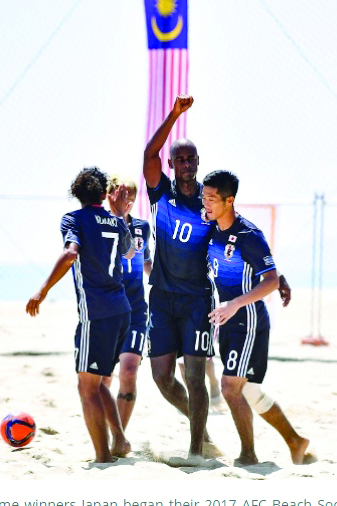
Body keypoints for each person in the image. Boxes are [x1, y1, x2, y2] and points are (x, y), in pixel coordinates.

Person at [203, 169, 314, 466]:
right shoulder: (209, 227)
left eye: (212, 198)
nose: (206, 204)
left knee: (230, 387)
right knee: (248, 389)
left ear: (230, 200)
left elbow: (269, 281)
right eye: (204, 197)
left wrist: (236, 303)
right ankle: (295, 441)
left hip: (247, 318)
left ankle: (249, 456)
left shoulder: (248, 235)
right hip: (228, 318)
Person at [26, 167, 135, 463]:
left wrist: (43, 290)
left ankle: (102, 457)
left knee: (86, 386)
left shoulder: (73, 219)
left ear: (77, 194)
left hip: (97, 315)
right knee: (98, 382)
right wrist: (120, 215)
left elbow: (71, 252)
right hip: (122, 312)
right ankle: (120, 441)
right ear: (103, 193)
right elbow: (128, 254)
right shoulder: (116, 221)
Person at [143, 95, 216, 458]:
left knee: (195, 377)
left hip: (197, 300)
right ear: (172, 165)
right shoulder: (162, 196)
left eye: (191, 158)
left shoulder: (211, 200)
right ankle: (202, 430)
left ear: (198, 163)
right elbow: (148, 155)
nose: (186, 164)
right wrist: (173, 115)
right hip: (161, 297)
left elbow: (237, 235)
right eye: (180, 159)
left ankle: (196, 451)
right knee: (161, 379)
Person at [102, 177, 152, 431]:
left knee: (129, 371)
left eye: (131, 195)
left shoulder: (143, 227)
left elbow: (146, 264)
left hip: (135, 310)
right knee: (103, 378)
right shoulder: (101, 225)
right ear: (109, 195)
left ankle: (118, 436)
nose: (127, 201)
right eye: (122, 194)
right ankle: (102, 430)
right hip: (107, 311)